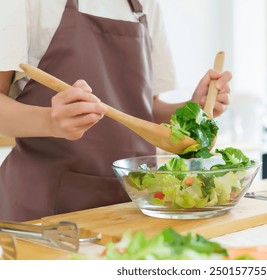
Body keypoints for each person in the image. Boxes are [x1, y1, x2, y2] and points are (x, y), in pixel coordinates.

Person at [0, 0, 232, 222]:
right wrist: (50, 121)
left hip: (133, 202)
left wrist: (192, 110)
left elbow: (145, 110)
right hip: (48, 210)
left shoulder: (145, 4)